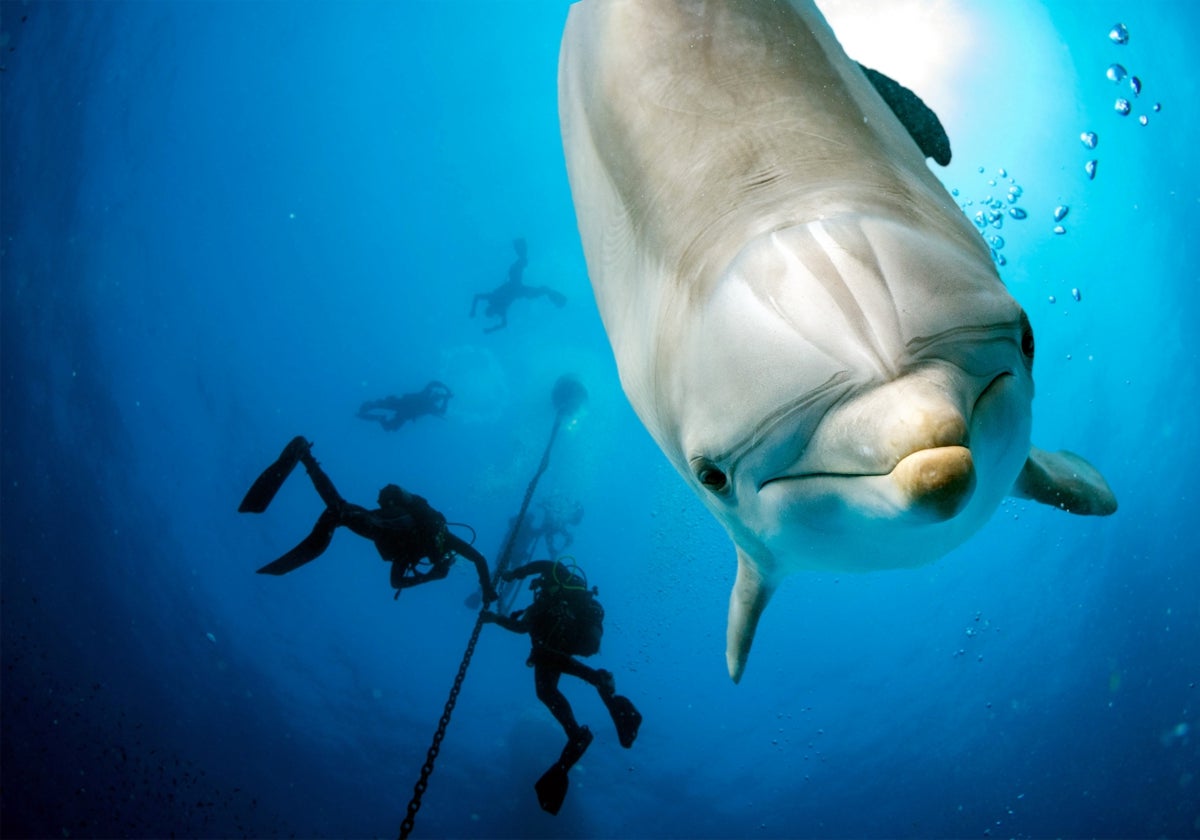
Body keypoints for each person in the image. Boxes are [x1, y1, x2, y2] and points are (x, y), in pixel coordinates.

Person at [238, 436, 497, 604]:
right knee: (347, 513)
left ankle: (311, 466)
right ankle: (306, 457)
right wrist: (486, 591)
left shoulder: (411, 557)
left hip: (388, 529)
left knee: (344, 513)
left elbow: (395, 582)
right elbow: (479, 559)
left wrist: (430, 577)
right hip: (399, 523)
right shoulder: (444, 539)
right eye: (443, 563)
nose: (441, 562)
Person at [481, 560, 641, 814]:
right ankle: (580, 728)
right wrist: (494, 618)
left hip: (560, 643)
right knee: (544, 690)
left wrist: (514, 574)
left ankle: (597, 689)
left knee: (546, 660)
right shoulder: (545, 605)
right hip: (564, 646)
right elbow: (522, 626)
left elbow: (544, 566)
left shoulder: (555, 589)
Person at [470, 238, 566, 333]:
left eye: (491, 310)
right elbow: (504, 324)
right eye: (492, 313)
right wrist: (490, 330)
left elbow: (476, 297)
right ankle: (557, 298)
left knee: (521, 263)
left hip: (514, 284)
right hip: (518, 290)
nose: (494, 311)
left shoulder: (492, 298)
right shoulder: (501, 310)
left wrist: (473, 310)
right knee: (539, 291)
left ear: (489, 307)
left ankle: (519, 244)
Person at [357, 380, 453, 432]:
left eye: (437, 396)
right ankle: (373, 411)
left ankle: (379, 417)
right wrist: (446, 392)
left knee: (390, 427)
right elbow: (433, 383)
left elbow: (441, 412)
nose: (435, 396)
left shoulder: (430, 403)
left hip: (403, 411)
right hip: (402, 405)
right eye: (436, 395)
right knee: (381, 405)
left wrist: (446, 398)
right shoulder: (427, 396)